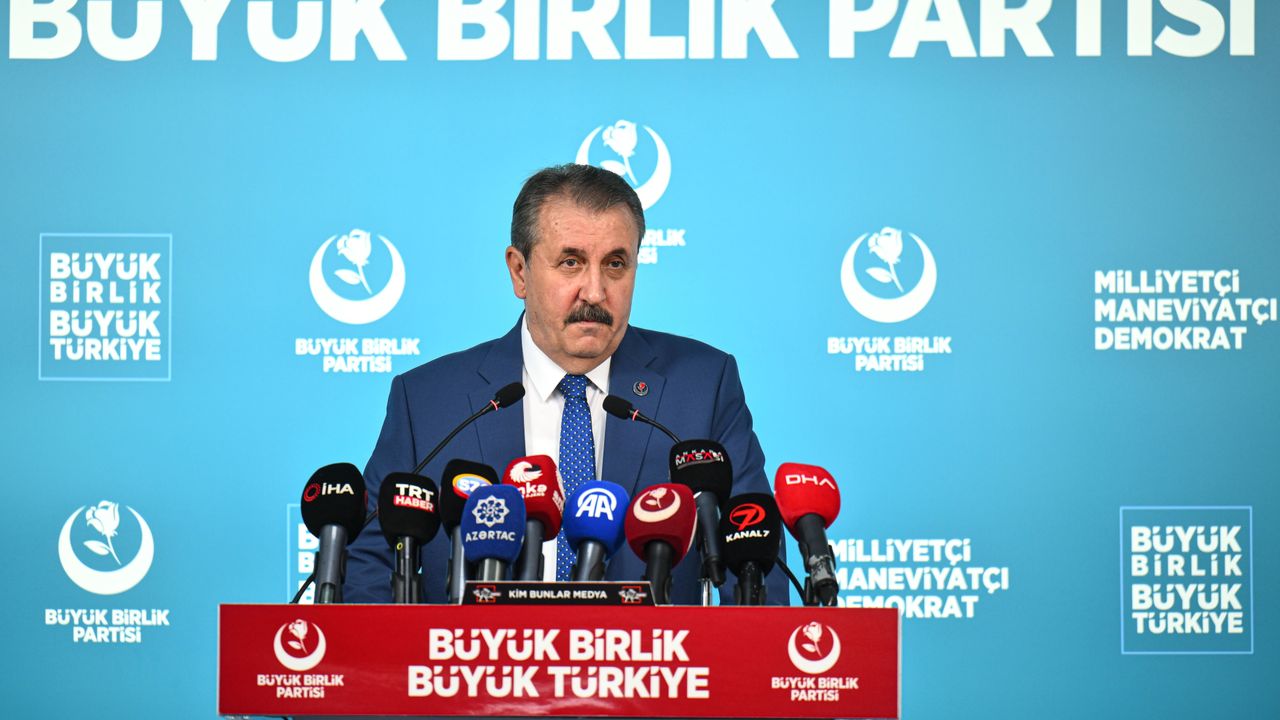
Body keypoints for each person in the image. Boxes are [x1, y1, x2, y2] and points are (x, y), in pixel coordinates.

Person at [343, 164, 787, 605]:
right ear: (519, 272)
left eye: (615, 264)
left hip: (649, 653)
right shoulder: (429, 401)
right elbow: (367, 572)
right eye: (571, 262)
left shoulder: (703, 388)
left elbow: (754, 572)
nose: (594, 291)